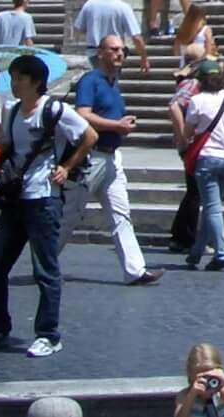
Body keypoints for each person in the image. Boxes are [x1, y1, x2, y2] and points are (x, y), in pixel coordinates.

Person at [0, 52, 95, 357]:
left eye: (20, 78)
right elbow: (10, 151)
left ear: (36, 82)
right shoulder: (12, 112)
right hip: (16, 199)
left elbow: (89, 136)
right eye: (12, 78)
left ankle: (48, 334)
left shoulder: (54, 110)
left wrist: (66, 167)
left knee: (45, 270)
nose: (14, 84)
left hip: (43, 198)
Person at [60, 35, 163, 287]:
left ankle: (135, 270)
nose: (120, 54)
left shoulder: (113, 82)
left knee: (120, 214)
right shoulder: (90, 80)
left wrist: (120, 124)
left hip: (112, 157)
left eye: (123, 50)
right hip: (91, 157)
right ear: (101, 53)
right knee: (71, 213)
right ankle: (45, 258)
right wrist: (116, 125)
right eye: (114, 49)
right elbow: (82, 114)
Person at [175, 57, 224, 272]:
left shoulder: (197, 101)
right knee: (211, 206)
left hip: (207, 158)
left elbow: (188, 132)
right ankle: (196, 253)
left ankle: (221, 253)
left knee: (212, 207)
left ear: (201, 81)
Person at [74, 0, 149, 75]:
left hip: (94, 52)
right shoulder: (123, 7)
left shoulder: (90, 4)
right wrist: (144, 57)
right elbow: (136, 37)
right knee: (110, 82)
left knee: (96, 81)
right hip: (114, 53)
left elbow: (78, 28)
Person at [174, 343, 224, 417]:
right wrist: (192, 395)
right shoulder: (185, 395)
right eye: (201, 377)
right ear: (190, 374)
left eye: (210, 376)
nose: (206, 381)